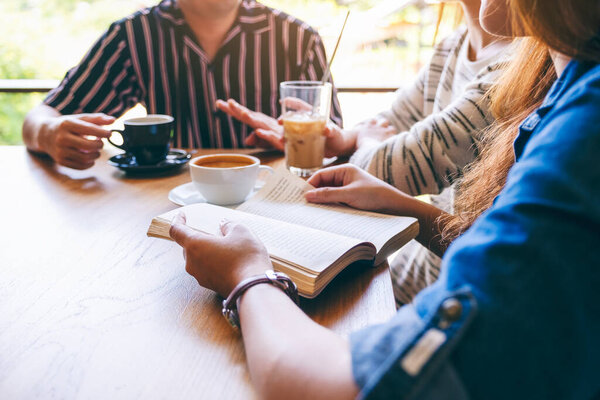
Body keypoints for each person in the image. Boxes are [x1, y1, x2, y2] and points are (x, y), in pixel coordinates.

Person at [169, 0, 600, 397]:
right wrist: (398, 201)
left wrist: (247, 276)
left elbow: (336, 387)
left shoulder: (582, 133)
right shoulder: (562, 87)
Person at [217, 0, 512, 305]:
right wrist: (346, 138)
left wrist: (366, 143)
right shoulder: (456, 42)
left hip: (461, 292)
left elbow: (397, 169)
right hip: (418, 270)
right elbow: (390, 120)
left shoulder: (512, 70)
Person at [21, 0, 342, 170]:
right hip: (174, 205)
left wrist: (298, 140)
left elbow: (336, 144)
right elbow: (43, 116)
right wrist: (49, 134)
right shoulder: (134, 36)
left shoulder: (297, 38)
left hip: (275, 202)